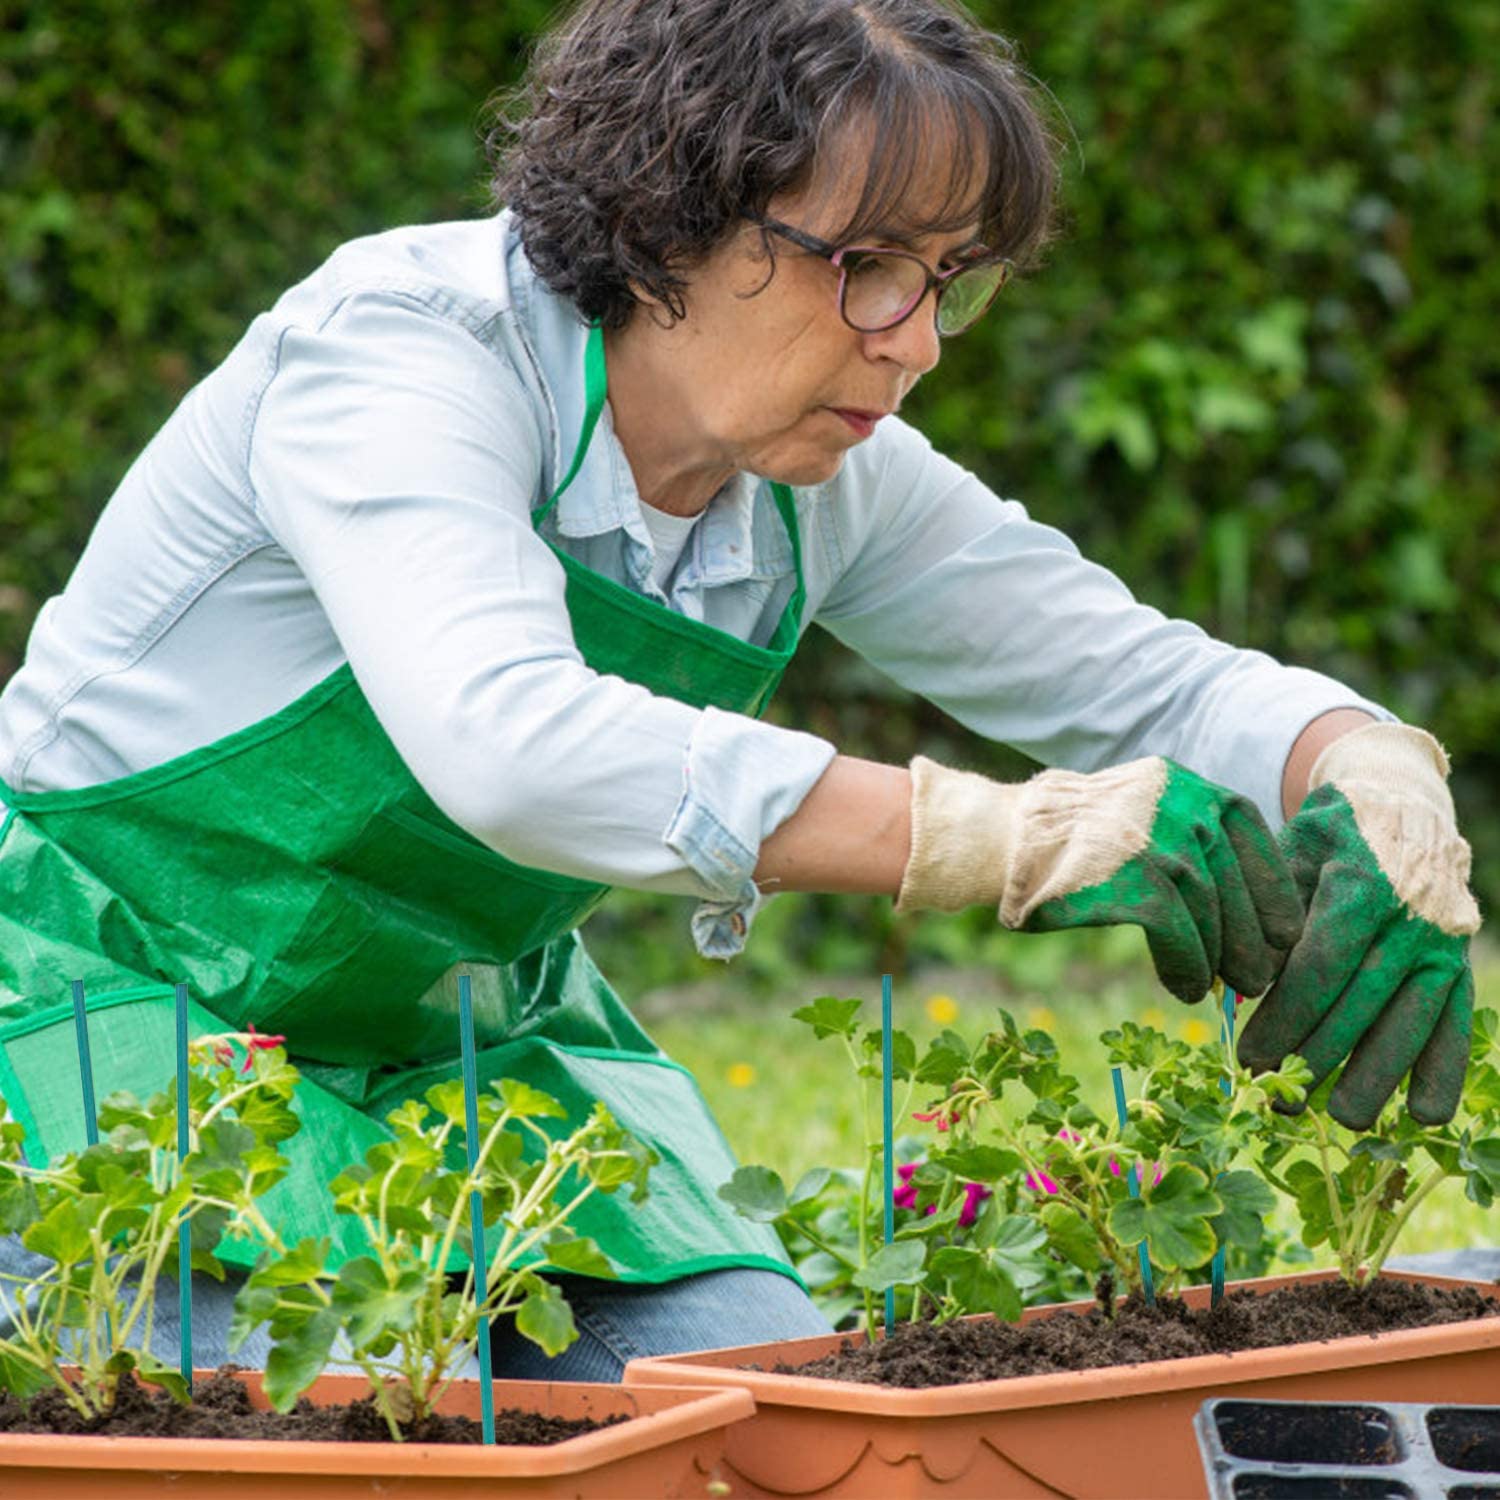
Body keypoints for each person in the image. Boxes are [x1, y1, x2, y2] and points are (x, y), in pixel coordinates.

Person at [0, 0, 1479, 1380]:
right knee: (342, 1422)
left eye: (950, 280)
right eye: (870, 267)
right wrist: (993, 839)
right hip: (95, 1014)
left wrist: (1358, 762)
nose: (914, 342)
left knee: (760, 1407)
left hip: (448, 1048)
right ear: (668, 217)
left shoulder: (819, 478)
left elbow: (1137, 674)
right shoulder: (401, 357)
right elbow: (506, 743)